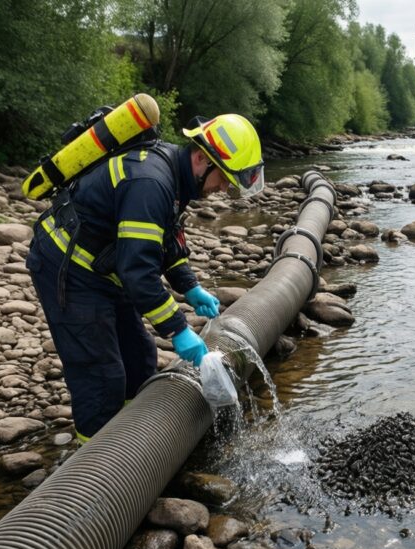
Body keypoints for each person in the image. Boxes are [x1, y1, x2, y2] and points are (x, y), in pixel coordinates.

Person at [26, 113, 265, 441]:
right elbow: (138, 271)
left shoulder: (174, 177)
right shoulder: (151, 183)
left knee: (140, 357)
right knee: (101, 377)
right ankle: (96, 469)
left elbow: (162, 242)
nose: (223, 188)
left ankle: (135, 440)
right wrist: (178, 330)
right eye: (223, 179)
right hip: (68, 270)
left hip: (106, 268)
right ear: (200, 158)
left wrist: (189, 285)